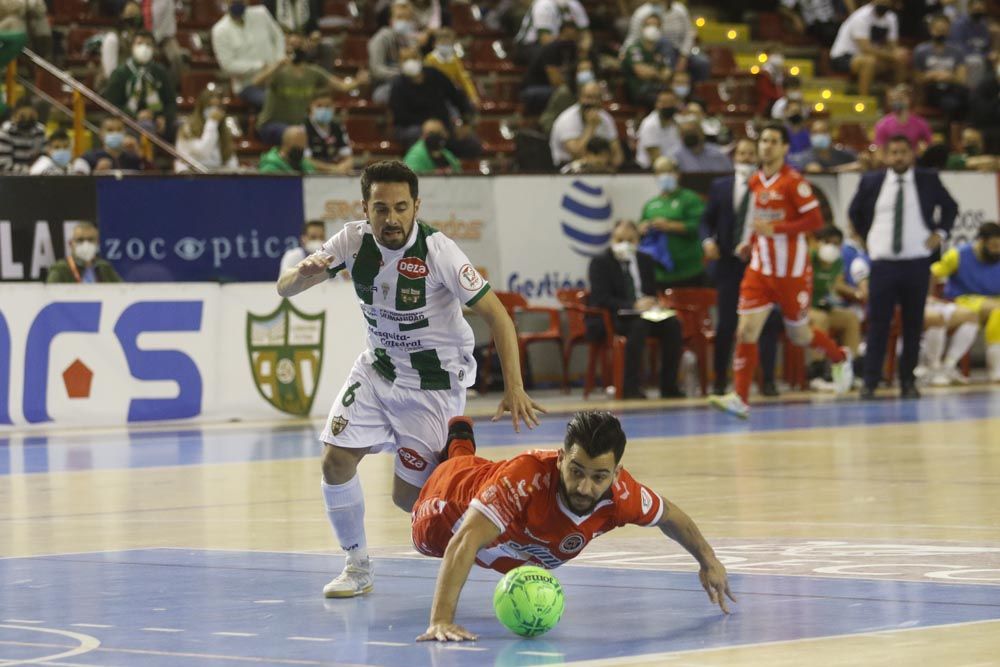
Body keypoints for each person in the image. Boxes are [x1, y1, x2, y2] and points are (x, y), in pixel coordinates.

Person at [276, 161, 544, 599]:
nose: (392, 218)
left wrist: (514, 387)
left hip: (432, 383)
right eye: (381, 208)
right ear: (366, 208)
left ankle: (507, 537)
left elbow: (498, 315)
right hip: (378, 367)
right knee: (335, 461)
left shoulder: (439, 251)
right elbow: (285, 289)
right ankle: (357, 565)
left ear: (416, 206)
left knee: (411, 500)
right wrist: (304, 273)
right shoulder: (352, 239)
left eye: (402, 207)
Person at [412, 411, 733, 642]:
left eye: (598, 477)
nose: (584, 487)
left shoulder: (623, 496)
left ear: (616, 473)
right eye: (576, 471)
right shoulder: (525, 479)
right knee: (417, 517)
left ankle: (460, 439)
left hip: (508, 532)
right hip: (450, 503)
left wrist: (709, 561)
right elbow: (465, 541)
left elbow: (671, 517)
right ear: (561, 458)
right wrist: (441, 620)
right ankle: (455, 447)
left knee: (484, 500)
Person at [709, 123, 853, 419]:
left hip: (793, 271)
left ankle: (839, 357)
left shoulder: (793, 181)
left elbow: (814, 221)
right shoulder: (755, 181)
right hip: (760, 269)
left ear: (785, 148)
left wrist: (778, 229)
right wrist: (749, 242)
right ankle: (741, 398)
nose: (767, 146)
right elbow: (755, 219)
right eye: (763, 140)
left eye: (774, 141)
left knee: (799, 336)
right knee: (746, 331)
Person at [848, 134, 958, 399]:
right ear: (886, 156)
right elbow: (855, 212)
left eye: (903, 152)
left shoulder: (927, 179)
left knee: (912, 324)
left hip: (916, 262)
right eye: (893, 152)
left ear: (912, 154)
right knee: (878, 324)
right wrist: (868, 238)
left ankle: (908, 381)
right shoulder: (872, 181)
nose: (898, 157)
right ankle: (870, 382)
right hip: (883, 263)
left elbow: (950, 207)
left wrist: (940, 233)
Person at [701, 138, 783, 397]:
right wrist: (707, 241)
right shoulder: (720, 186)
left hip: (761, 264)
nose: (746, 158)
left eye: (751, 153)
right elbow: (706, 221)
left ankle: (768, 379)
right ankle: (719, 380)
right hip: (728, 263)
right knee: (726, 324)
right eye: (742, 153)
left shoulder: (769, 185)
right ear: (734, 157)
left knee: (767, 322)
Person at [588, 220, 684, 399]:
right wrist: (632, 305)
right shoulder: (600, 262)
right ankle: (629, 387)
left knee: (673, 325)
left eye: (630, 240)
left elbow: (651, 291)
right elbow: (600, 298)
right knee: (639, 326)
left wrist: (656, 302)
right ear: (612, 239)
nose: (624, 244)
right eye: (619, 239)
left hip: (648, 315)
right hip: (617, 317)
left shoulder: (645, 261)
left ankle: (669, 386)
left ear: (638, 241)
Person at [255, 33, 366, 146]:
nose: (295, 48)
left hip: (299, 127)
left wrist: (359, 81)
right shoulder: (277, 70)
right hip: (271, 125)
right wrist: (278, 64)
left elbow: (341, 86)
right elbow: (256, 82)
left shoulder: (312, 72)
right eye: (292, 45)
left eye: (299, 45)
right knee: (297, 135)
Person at [930, 222, 1000, 382]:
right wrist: (929, 298)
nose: (997, 250)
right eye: (994, 246)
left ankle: (996, 369)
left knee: (998, 313)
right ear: (981, 241)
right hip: (963, 301)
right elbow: (933, 273)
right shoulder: (958, 255)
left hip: (995, 303)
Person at [389, 46, 480, 157]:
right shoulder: (398, 85)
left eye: (413, 57)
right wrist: (427, 124)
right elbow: (400, 116)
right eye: (406, 59)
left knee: (472, 144)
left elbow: (457, 97)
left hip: (443, 126)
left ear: (420, 58)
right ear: (400, 63)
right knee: (423, 138)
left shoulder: (435, 75)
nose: (411, 62)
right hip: (412, 128)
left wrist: (465, 122)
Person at [638, 156, 705, 288]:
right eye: (660, 172)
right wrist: (642, 228)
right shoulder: (651, 204)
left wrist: (670, 226)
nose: (665, 176)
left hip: (689, 271)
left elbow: (699, 226)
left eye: (669, 171)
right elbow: (639, 228)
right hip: (659, 273)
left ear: (677, 174)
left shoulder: (690, 199)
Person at [807, 226, 862, 384]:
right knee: (821, 319)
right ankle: (817, 372)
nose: (831, 247)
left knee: (851, 318)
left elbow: (837, 285)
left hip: (822, 304)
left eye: (836, 243)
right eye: (827, 242)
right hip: (803, 307)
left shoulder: (837, 262)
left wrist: (858, 292)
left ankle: (851, 368)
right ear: (817, 243)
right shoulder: (808, 259)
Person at [212, 1, 286, 109]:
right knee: (273, 101)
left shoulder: (261, 13)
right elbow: (227, 66)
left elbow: (278, 37)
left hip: (277, 76)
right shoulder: (219, 30)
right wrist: (260, 66)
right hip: (248, 85)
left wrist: (278, 61)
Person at [102, 31, 176, 139]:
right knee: (146, 127)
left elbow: (171, 102)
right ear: (132, 47)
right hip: (128, 120)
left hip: (157, 119)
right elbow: (111, 105)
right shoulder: (120, 73)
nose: (144, 48)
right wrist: (135, 116)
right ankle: (147, 155)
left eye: (148, 44)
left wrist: (163, 117)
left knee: (182, 126)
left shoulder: (160, 72)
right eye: (139, 43)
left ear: (154, 49)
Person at [829, 0, 908, 97]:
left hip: (872, 56)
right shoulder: (861, 16)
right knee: (869, 62)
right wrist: (892, 55)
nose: (884, 3)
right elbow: (865, 48)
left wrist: (898, 53)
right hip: (843, 57)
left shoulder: (891, 17)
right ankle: (863, 100)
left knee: (901, 57)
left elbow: (893, 45)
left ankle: (898, 96)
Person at [622, 0, 710, 81]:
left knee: (702, 62)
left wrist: (684, 56)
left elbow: (688, 35)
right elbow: (633, 36)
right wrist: (623, 52)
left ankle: (698, 91)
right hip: (655, 51)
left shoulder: (680, 10)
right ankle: (669, 83)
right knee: (665, 43)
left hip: (680, 51)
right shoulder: (641, 13)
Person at [549, 81, 623, 170]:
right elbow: (576, 154)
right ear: (580, 98)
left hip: (600, 169)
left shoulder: (606, 119)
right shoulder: (567, 119)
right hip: (567, 169)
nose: (593, 102)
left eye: (597, 98)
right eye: (588, 97)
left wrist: (610, 167)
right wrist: (591, 127)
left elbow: (618, 155)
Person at [913, 14, 969, 120]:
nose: (941, 33)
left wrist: (950, 77)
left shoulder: (957, 51)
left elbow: (962, 79)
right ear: (931, 30)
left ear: (948, 31)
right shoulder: (921, 51)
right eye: (938, 30)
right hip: (931, 89)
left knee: (968, 97)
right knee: (953, 104)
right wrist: (930, 76)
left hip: (952, 88)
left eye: (944, 30)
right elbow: (917, 79)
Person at [520, 20, 579, 115]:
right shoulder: (552, 48)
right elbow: (555, 81)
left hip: (551, 88)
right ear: (563, 32)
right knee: (567, 93)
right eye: (568, 35)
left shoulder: (572, 49)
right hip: (534, 89)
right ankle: (550, 121)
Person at [174, 88, 239, 173]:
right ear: (201, 107)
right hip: (190, 173)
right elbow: (203, 151)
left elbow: (230, 158)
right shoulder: (188, 127)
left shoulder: (223, 129)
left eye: (217, 107)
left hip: (215, 174)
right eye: (210, 106)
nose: (214, 111)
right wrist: (212, 122)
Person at [369, 1, 419, 104]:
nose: (404, 21)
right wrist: (400, 75)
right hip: (384, 86)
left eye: (407, 18)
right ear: (391, 20)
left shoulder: (411, 41)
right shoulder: (381, 38)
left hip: (409, 84)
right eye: (400, 17)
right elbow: (376, 70)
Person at [621, 14, 675, 109]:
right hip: (640, 91)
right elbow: (642, 72)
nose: (652, 29)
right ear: (642, 28)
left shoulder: (661, 50)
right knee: (665, 101)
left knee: (676, 97)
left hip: (658, 89)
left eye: (656, 26)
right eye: (649, 25)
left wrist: (653, 72)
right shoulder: (635, 49)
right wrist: (659, 74)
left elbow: (667, 74)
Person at [514, 0, 590, 66]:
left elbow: (586, 35)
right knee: (548, 53)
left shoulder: (574, 4)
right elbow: (545, 40)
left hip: (557, 43)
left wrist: (584, 55)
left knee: (588, 53)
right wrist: (565, 38)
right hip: (529, 45)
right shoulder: (543, 5)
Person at [45, 222, 122, 284]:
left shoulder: (104, 267)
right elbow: (49, 296)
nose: (86, 244)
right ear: (71, 244)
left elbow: (123, 292)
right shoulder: (60, 269)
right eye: (80, 240)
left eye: (90, 240)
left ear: (97, 243)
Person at [424, 28, 480, 109]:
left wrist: (473, 96)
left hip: (449, 95)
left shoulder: (454, 60)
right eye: (443, 43)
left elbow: (464, 79)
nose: (446, 46)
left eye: (448, 44)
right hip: (433, 96)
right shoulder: (429, 59)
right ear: (435, 44)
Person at [873, 85, 932, 159]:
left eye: (900, 99)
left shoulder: (921, 124)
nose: (896, 102)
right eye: (893, 100)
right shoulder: (882, 124)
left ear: (909, 99)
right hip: (890, 164)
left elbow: (929, 146)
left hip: (913, 163)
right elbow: (879, 153)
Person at [71, 116, 144, 174]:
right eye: (110, 130)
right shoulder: (88, 158)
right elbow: (77, 186)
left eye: (119, 130)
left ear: (124, 133)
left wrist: (138, 152)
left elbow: (151, 179)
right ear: (101, 134)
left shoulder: (133, 159)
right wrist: (96, 173)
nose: (115, 133)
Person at [305, 91, 354, 175]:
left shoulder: (338, 127)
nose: (324, 109)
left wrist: (342, 167)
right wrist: (332, 169)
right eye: (319, 106)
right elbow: (306, 161)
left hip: (336, 175)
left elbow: (348, 158)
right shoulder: (303, 128)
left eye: (327, 106)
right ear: (311, 107)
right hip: (312, 176)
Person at [949, 0, 992, 87]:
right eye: (976, 9)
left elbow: (986, 46)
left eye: (980, 10)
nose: (978, 12)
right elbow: (957, 48)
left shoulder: (984, 25)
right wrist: (982, 55)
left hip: (980, 57)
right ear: (969, 8)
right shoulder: (959, 24)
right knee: (976, 61)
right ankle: (972, 91)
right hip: (963, 57)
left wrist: (990, 54)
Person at [635, 89, 682, 170]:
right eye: (664, 103)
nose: (667, 106)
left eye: (671, 102)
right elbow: (655, 158)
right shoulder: (649, 125)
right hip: (650, 170)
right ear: (657, 104)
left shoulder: (677, 122)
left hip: (674, 167)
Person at [795, 119, 861, 173]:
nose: (819, 135)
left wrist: (832, 170)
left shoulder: (843, 154)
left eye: (823, 131)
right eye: (815, 132)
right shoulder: (805, 157)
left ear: (830, 134)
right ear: (810, 135)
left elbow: (860, 164)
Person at [0, 96, 45, 174]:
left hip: (35, 178)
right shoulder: (6, 132)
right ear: (14, 115)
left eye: (31, 116)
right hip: (11, 179)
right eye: (22, 116)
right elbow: (3, 165)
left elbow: (41, 157)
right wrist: (28, 170)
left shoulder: (39, 131)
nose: (27, 119)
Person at [779, 0, 850, 47]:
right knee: (829, 32)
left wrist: (852, 14)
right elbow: (782, 7)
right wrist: (795, 17)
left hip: (833, 21)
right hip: (812, 24)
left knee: (843, 30)